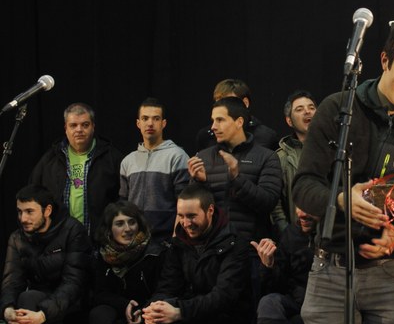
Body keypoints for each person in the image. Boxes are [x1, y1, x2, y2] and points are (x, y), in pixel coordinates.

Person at [292, 21, 394, 324]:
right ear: (385, 60)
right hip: (331, 270)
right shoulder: (337, 109)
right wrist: (341, 199)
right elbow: (303, 185)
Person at [138, 183, 251, 324]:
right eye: (181, 216)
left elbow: (224, 296)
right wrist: (149, 311)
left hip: (225, 321)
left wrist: (180, 311)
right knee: (156, 320)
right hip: (188, 314)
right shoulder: (178, 243)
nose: (185, 223)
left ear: (210, 210)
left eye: (191, 216)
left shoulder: (235, 244)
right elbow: (167, 287)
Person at [187, 96, 282, 242]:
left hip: (250, 246)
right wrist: (199, 182)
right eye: (213, 120)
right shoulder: (203, 157)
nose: (213, 127)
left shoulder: (267, 157)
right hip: (212, 246)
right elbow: (191, 210)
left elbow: (268, 203)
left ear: (239, 122)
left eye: (220, 120)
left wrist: (237, 178)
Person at [2, 184, 91, 324]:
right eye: (19, 212)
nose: (23, 219)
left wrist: (42, 315)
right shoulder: (17, 237)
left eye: (29, 211)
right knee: (21, 308)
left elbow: (73, 283)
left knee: (28, 300)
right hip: (34, 303)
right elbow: (12, 281)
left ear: (47, 211)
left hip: (69, 305)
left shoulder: (73, 231)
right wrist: (7, 309)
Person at [29, 102, 123, 238]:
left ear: (93, 127)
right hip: (58, 241)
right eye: (73, 125)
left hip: (100, 240)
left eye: (85, 125)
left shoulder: (112, 158)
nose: (79, 130)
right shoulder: (50, 159)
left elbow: (123, 201)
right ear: (65, 128)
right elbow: (33, 196)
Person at [82, 200, 166, 324]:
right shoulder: (104, 254)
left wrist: (140, 312)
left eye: (132, 222)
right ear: (109, 229)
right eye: (120, 224)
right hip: (117, 313)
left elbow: (162, 292)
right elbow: (100, 294)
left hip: (146, 315)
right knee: (99, 315)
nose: (127, 229)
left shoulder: (155, 253)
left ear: (139, 224)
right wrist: (125, 305)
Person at [119, 98, 189, 239]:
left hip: (166, 239)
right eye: (145, 118)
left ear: (163, 123)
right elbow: (123, 205)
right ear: (138, 123)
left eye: (156, 119)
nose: (150, 123)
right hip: (133, 239)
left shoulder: (177, 156)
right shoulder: (128, 161)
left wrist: (175, 238)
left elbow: (184, 203)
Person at [251, 207, 318, 324]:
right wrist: (268, 266)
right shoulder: (291, 233)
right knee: (268, 302)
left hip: (324, 308)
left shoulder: (337, 235)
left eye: (308, 207)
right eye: (299, 207)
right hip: (296, 303)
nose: (302, 214)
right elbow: (277, 285)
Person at [270, 90, 317, 235]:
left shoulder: (335, 150)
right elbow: (275, 204)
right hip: (297, 236)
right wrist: (287, 233)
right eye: (299, 109)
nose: (307, 111)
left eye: (311, 107)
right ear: (289, 121)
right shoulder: (281, 157)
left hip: (332, 236)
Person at [195, 78, 279, 152]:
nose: (221, 108)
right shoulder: (205, 136)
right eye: (218, 103)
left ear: (245, 103)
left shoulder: (266, 136)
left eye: (229, 102)